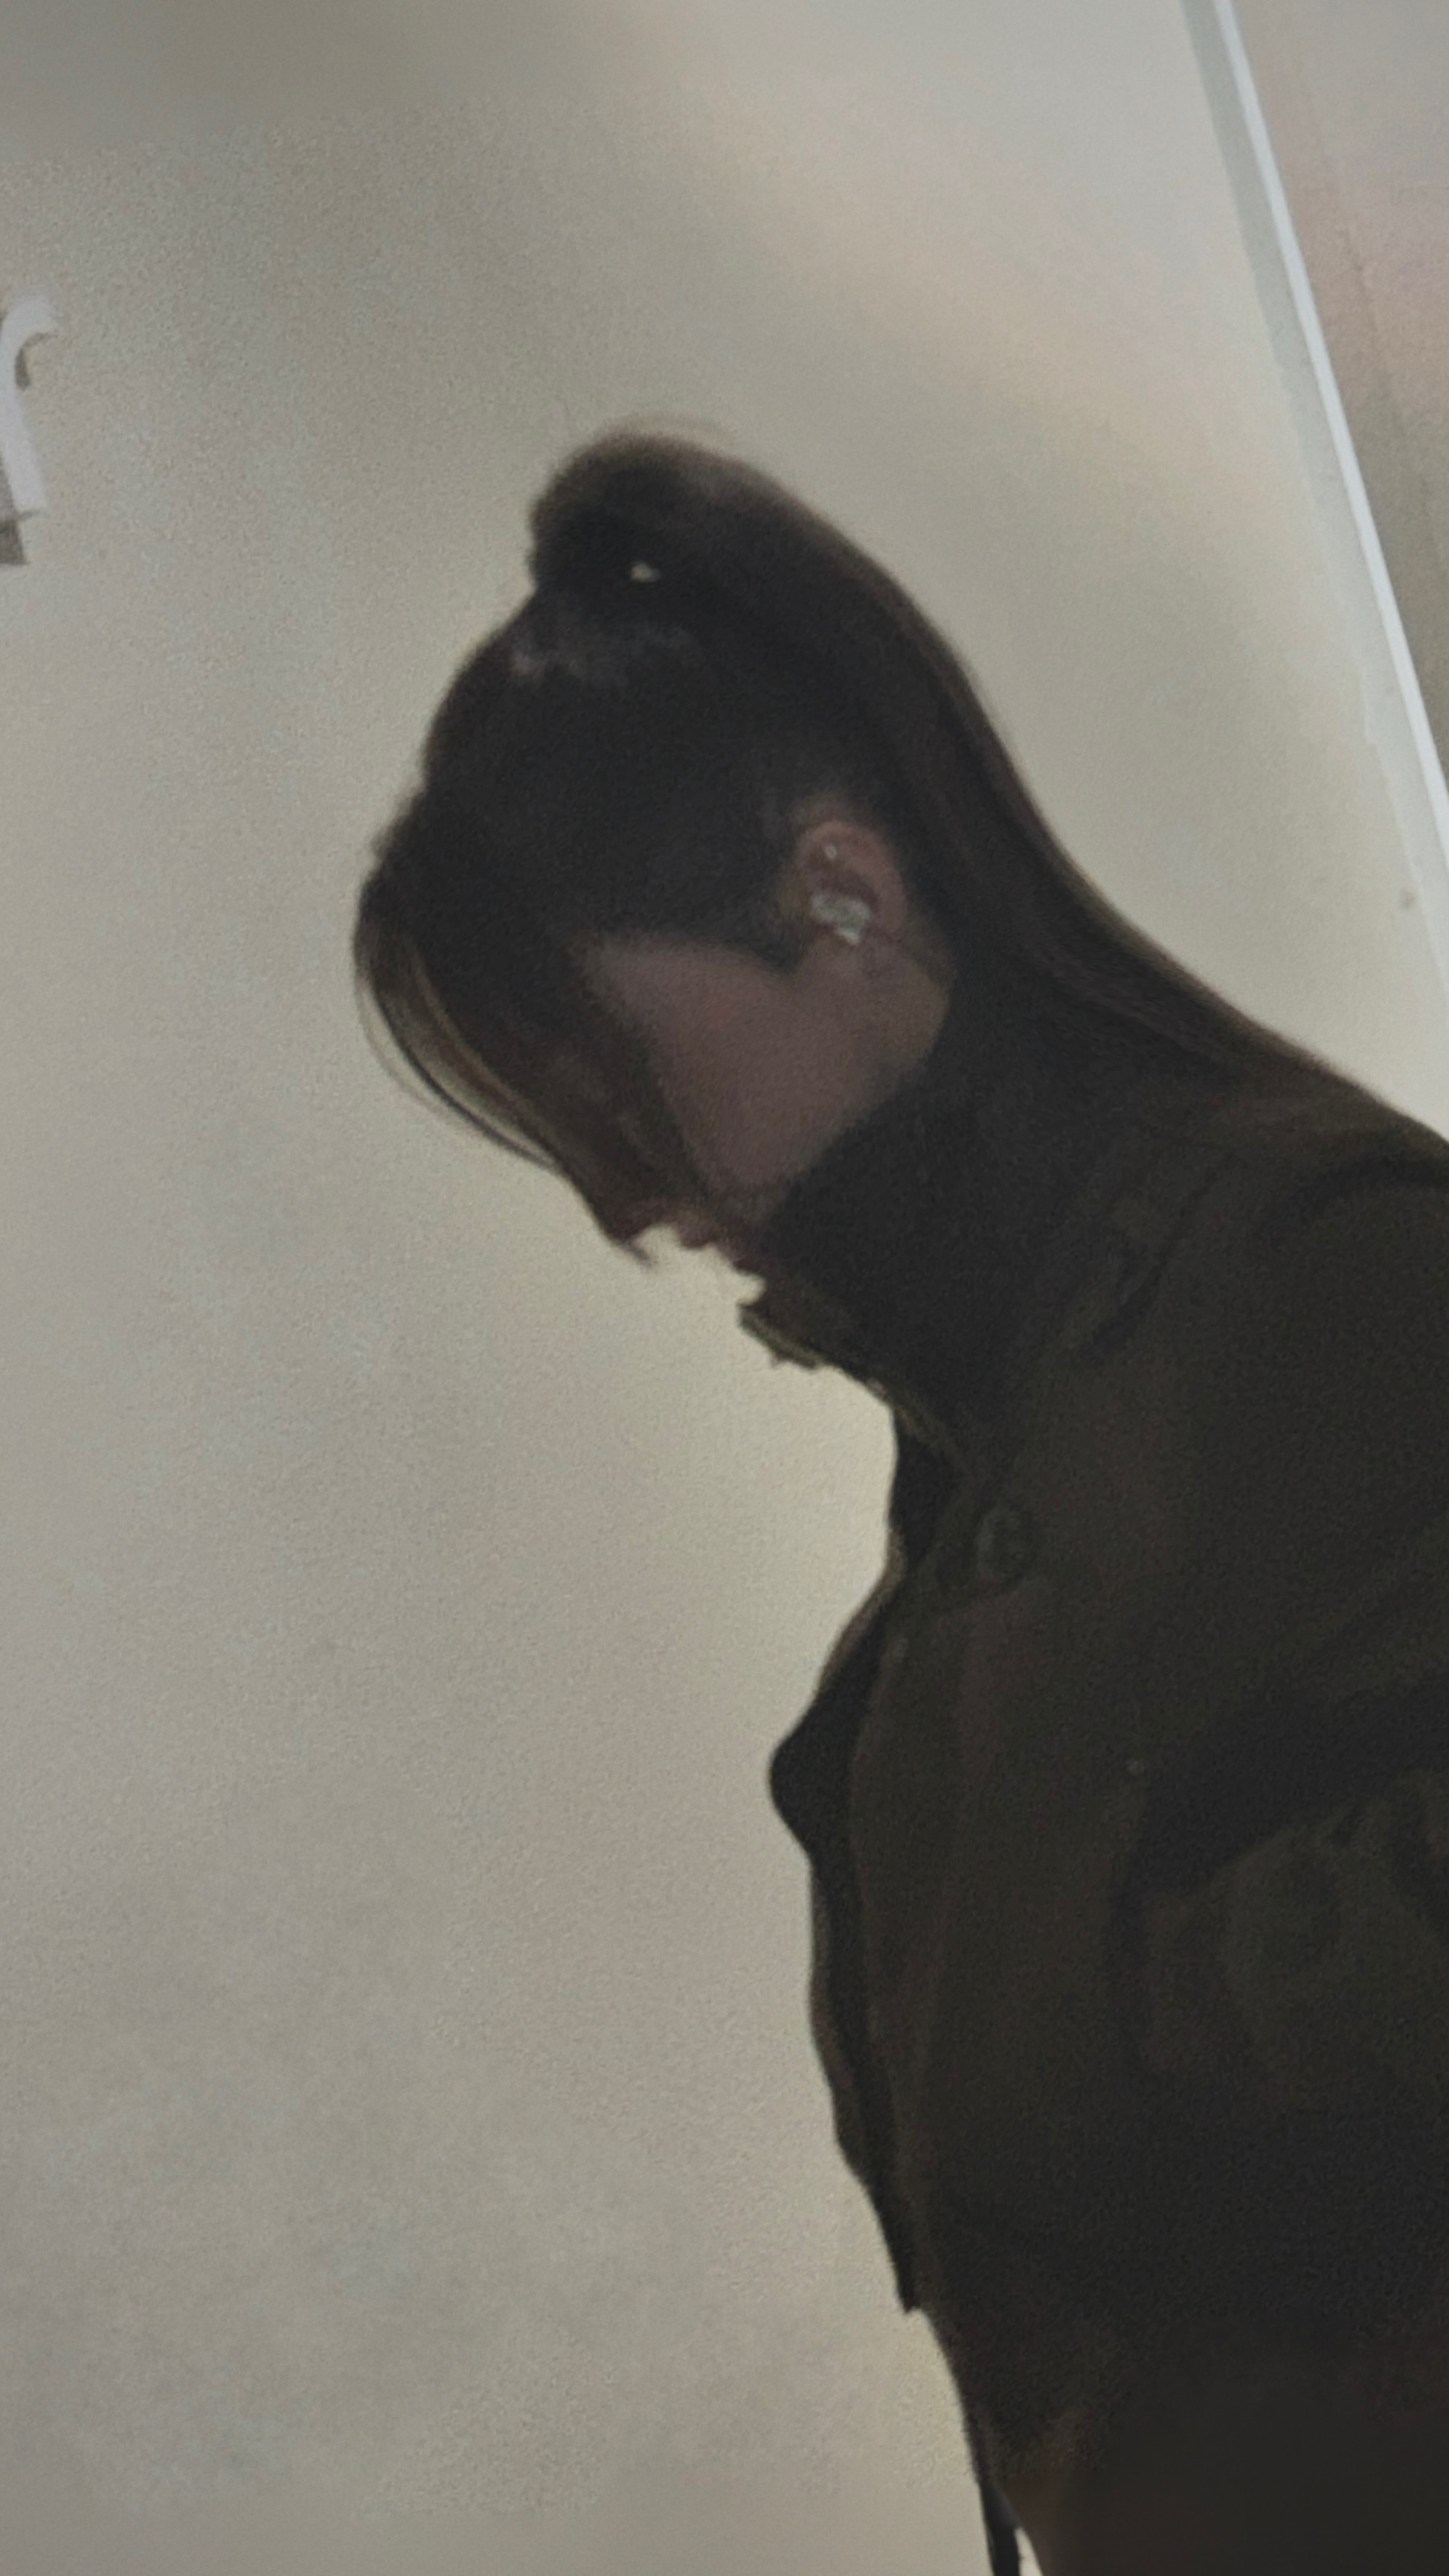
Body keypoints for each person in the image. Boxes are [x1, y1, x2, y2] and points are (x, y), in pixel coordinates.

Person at [353, 431, 1449, 2573]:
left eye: (611, 1077)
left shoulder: (1316, 1267)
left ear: (837, 900)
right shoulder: (1007, 1375)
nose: (621, 1199)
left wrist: (1139, 2012)